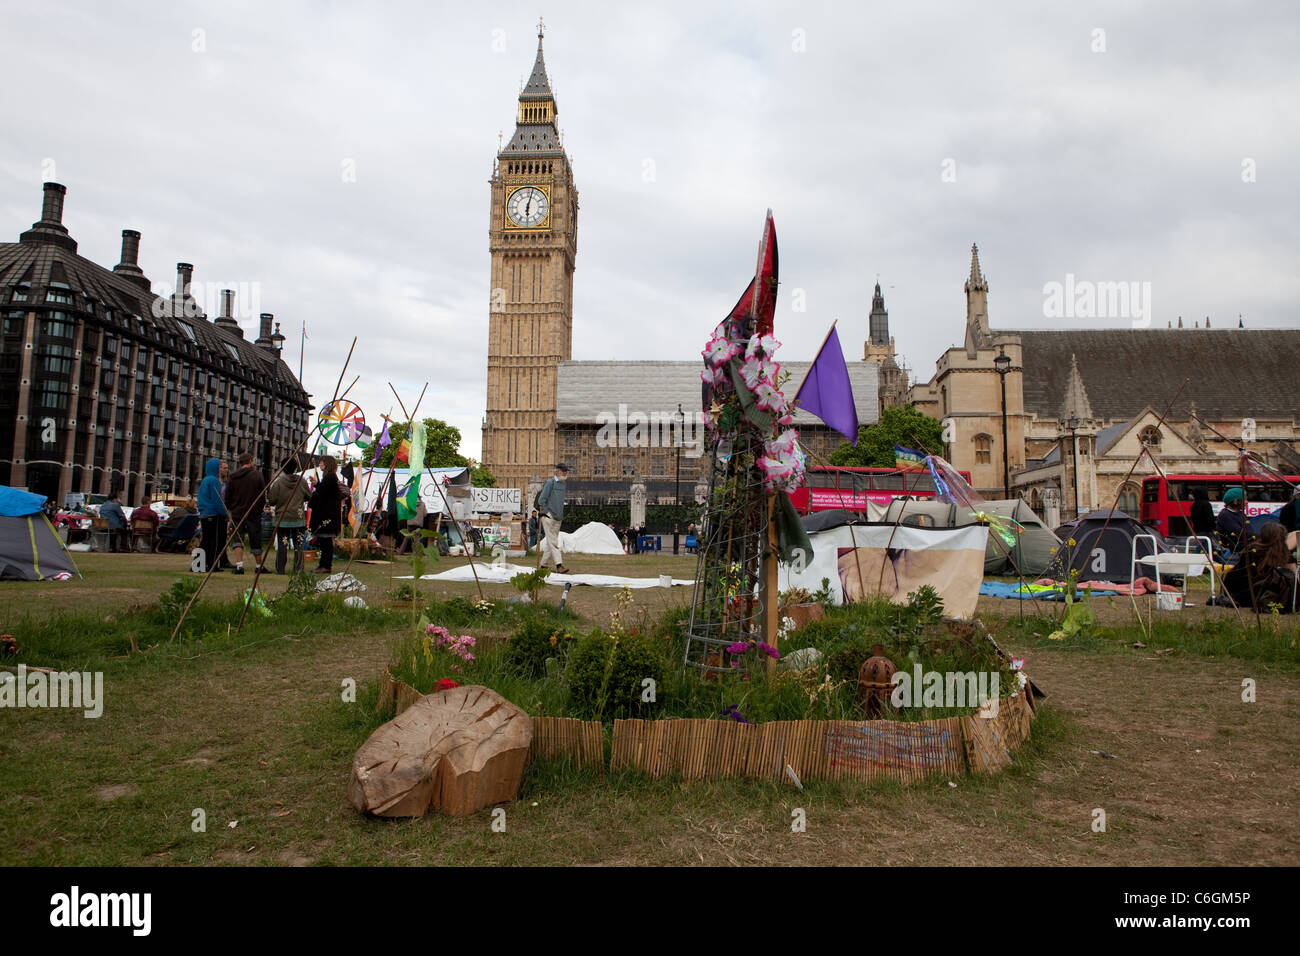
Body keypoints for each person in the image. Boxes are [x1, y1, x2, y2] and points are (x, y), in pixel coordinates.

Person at [1221, 522, 1296, 612]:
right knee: (1282, 579)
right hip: (1249, 593)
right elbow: (1292, 575)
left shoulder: (1252, 549)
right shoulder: (1257, 552)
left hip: (1232, 590)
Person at [267, 455, 311, 574]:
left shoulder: (278, 483)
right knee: (299, 545)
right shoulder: (301, 481)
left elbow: (271, 500)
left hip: (283, 517)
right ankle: (298, 568)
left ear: (282, 468)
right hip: (298, 517)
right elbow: (308, 496)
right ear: (295, 468)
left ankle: (280, 569)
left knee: (282, 544)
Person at [224, 451, 267, 574]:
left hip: (237, 512)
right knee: (255, 538)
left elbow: (228, 495)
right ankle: (259, 566)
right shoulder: (257, 475)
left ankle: (239, 566)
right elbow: (262, 495)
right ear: (250, 462)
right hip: (253, 512)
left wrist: (230, 508)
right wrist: (259, 509)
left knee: (237, 538)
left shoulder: (232, 476)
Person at [308, 455, 344, 574]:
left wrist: (311, 498)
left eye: (322, 462)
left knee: (326, 541)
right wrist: (318, 484)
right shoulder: (329, 478)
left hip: (327, 515)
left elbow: (322, 494)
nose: (320, 465)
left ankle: (326, 565)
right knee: (324, 541)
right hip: (327, 514)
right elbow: (324, 490)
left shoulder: (330, 477)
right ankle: (323, 564)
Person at [197, 458, 231, 572]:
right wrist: (225, 514)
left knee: (205, 540)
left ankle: (199, 564)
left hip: (204, 513)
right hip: (212, 513)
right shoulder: (214, 481)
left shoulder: (205, 480)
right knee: (213, 541)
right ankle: (212, 564)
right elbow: (218, 500)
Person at [536, 462, 570, 574]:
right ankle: (559, 565)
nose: (565, 473)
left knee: (550, 543)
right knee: (553, 542)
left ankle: (543, 565)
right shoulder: (550, 483)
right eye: (563, 471)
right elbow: (542, 500)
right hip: (549, 516)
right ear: (557, 471)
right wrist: (546, 512)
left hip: (558, 517)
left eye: (566, 471)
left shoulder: (563, 484)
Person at [1215, 486, 1251, 556]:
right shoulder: (1225, 515)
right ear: (1236, 501)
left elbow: (1249, 532)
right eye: (1245, 499)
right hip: (1234, 551)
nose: (1247, 502)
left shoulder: (1241, 514)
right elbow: (1240, 534)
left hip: (1244, 548)